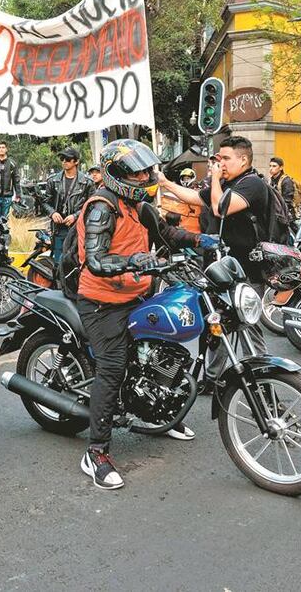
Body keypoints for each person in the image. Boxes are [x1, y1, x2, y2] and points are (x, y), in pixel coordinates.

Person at [74, 140, 218, 490]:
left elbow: (168, 234)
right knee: (113, 366)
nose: (143, 177)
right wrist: (133, 261)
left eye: (145, 170)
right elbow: (95, 260)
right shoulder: (101, 207)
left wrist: (204, 242)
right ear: (118, 174)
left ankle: (162, 414)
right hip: (101, 302)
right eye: (136, 172)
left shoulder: (139, 206)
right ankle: (96, 453)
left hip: (137, 293)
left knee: (164, 351)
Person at [158, 136, 276, 282]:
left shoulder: (253, 183)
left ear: (243, 160)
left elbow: (220, 209)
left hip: (244, 270)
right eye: (220, 159)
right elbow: (195, 197)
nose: (221, 163)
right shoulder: (227, 183)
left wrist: (214, 177)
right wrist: (165, 182)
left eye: (226, 158)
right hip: (220, 264)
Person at [44, 147, 93, 265]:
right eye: (62, 158)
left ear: (76, 162)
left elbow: (91, 206)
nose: (64, 161)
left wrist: (75, 216)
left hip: (78, 228)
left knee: (77, 262)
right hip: (59, 228)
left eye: (67, 159)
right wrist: (52, 213)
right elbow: (45, 202)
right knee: (59, 263)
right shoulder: (53, 180)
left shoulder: (87, 182)